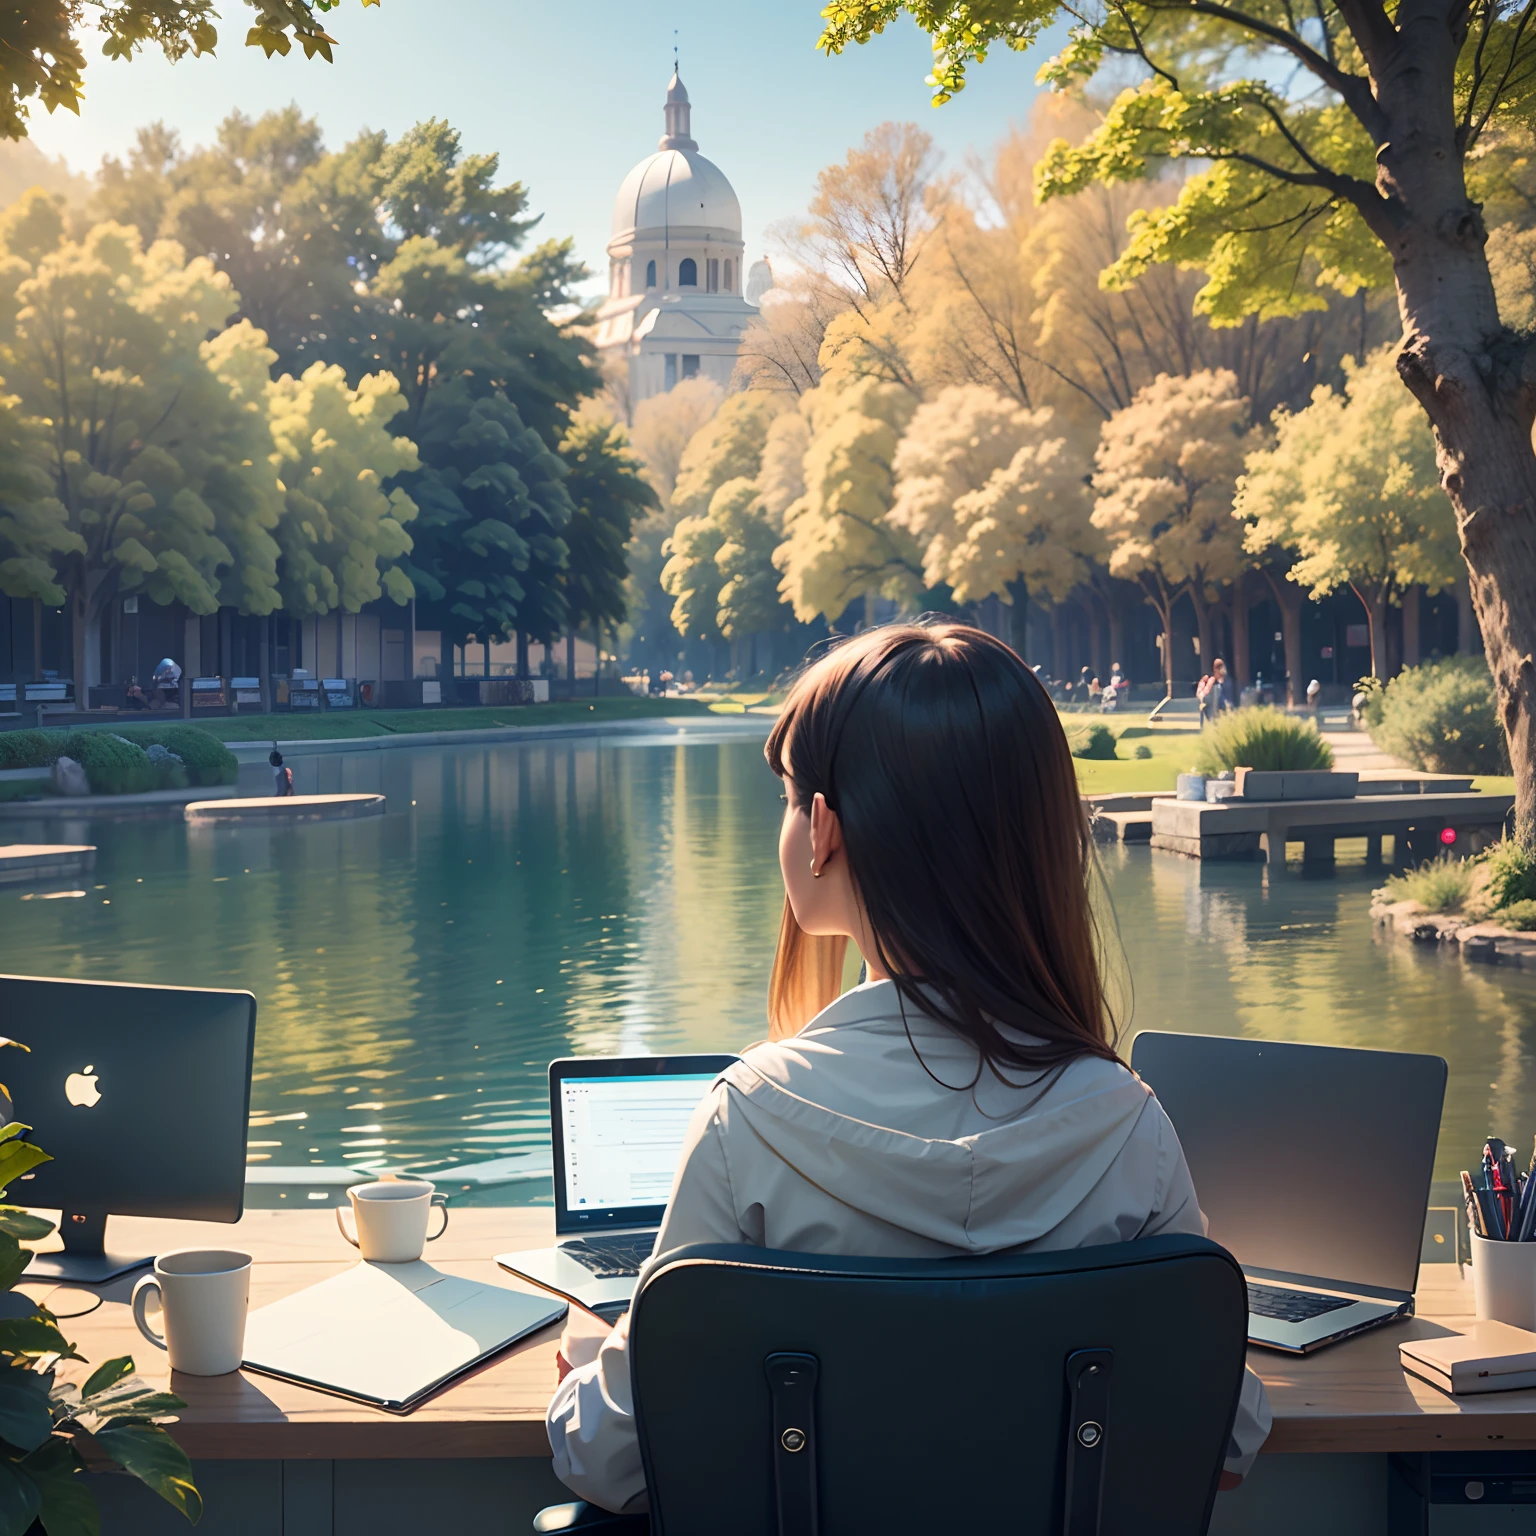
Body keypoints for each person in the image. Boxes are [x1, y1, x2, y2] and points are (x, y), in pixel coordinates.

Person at [546, 622, 1270, 1513]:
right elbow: (1226, 1441)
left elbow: (608, 1464)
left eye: (786, 797)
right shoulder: (1130, 1124)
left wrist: (602, 1359)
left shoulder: (749, 1119)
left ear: (822, 831)